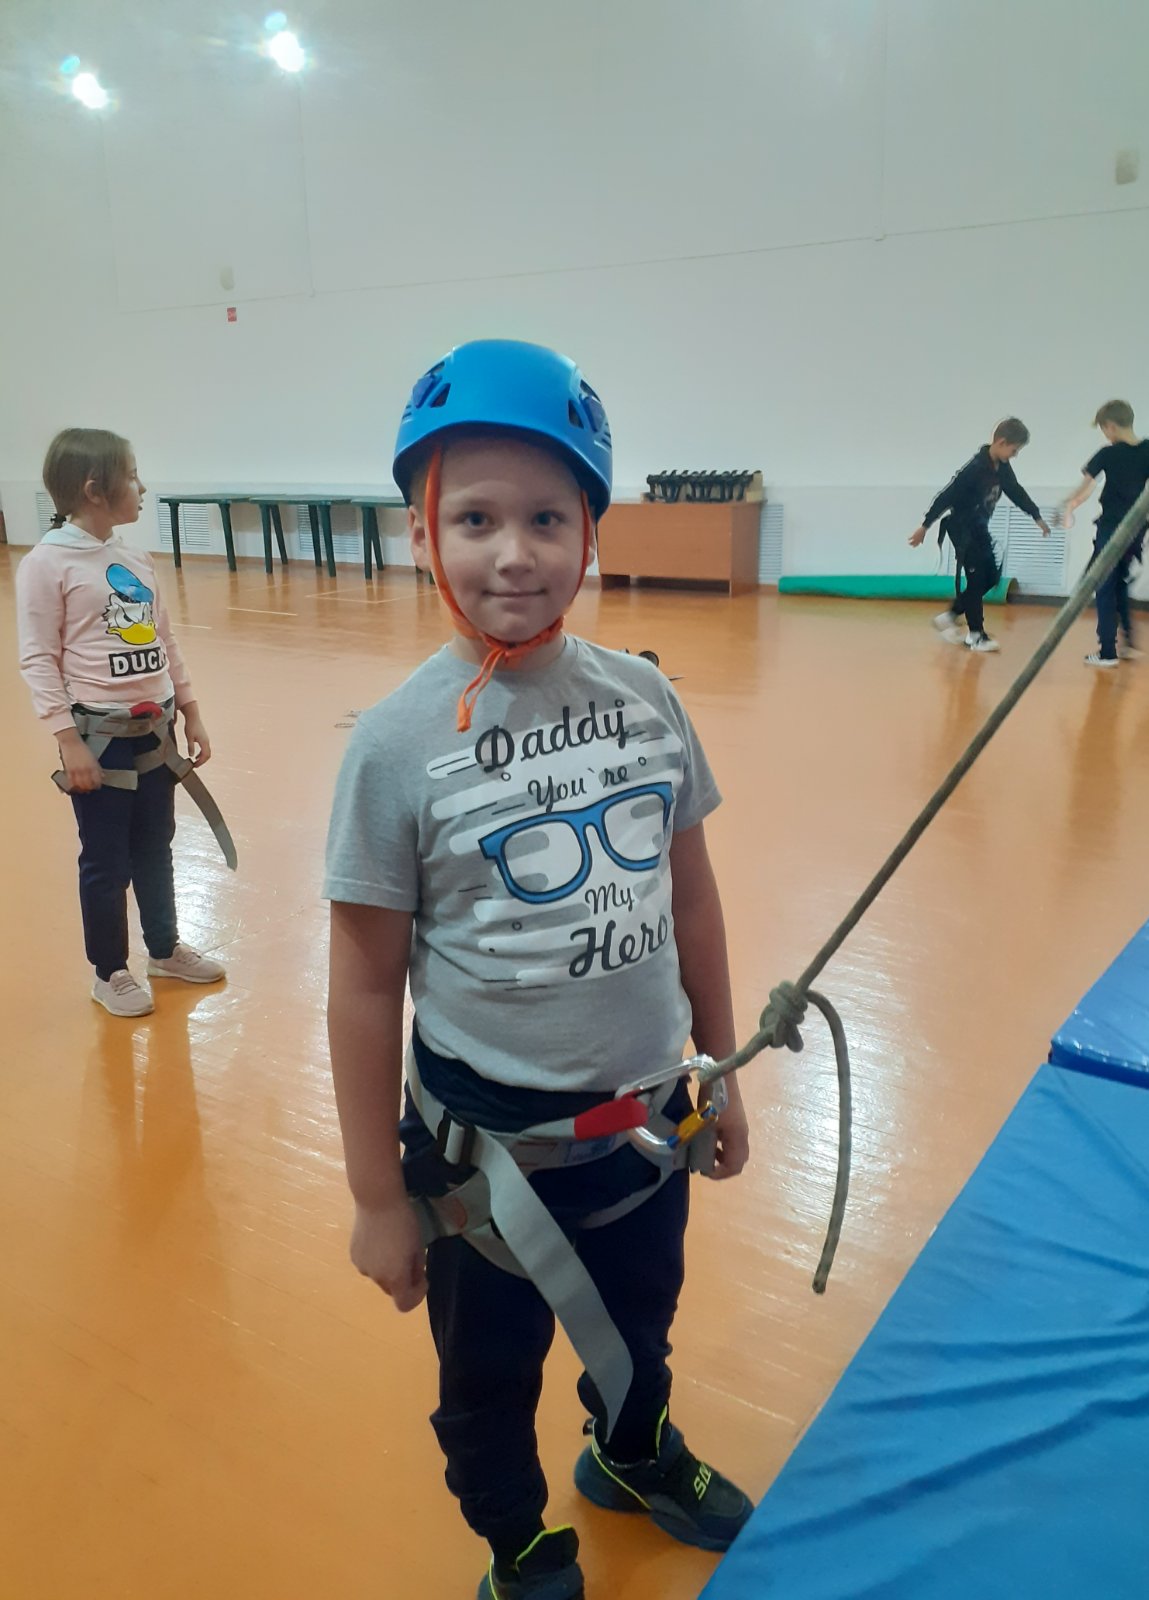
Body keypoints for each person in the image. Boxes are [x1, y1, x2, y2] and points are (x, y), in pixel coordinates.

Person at [324, 340, 753, 1599]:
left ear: (589, 532)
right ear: (420, 532)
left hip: (642, 1120)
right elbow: (364, 984)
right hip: (486, 1151)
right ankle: (516, 1537)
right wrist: (375, 1194)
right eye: (475, 519)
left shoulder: (646, 701)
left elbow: (691, 897)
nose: (514, 553)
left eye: (547, 519)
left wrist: (721, 1065)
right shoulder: (395, 746)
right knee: (488, 1374)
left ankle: (630, 1451)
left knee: (641, 1315)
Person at [16, 428, 226, 1016]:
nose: (142, 486)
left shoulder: (135, 558)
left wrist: (191, 712)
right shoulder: (47, 565)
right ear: (94, 489)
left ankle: (164, 949)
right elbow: (38, 658)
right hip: (98, 739)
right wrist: (68, 741)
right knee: (106, 860)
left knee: (156, 845)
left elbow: (165, 641)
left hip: (155, 730)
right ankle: (109, 970)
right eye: (132, 475)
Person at [909, 418, 1051, 653]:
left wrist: (1036, 516)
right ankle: (975, 635)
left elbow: (1015, 491)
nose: (1015, 455)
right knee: (976, 580)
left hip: (979, 528)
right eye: (1014, 450)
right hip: (962, 528)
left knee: (991, 577)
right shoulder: (974, 469)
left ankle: (950, 616)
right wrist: (925, 526)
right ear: (1001, 442)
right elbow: (946, 496)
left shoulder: (1002, 467)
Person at [1059, 400, 1149, 667]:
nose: (1105, 435)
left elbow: (1086, 487)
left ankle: (1107, 652)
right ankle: (1128, 644)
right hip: (1137, 528)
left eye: (1104, 430)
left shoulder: (1108, 453)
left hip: (1113, 527)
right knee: (1119, 582)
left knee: (1103, 585)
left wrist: (1069, 504)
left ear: (1110, 426)